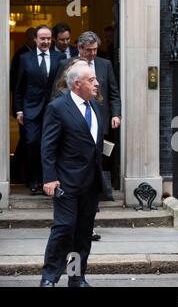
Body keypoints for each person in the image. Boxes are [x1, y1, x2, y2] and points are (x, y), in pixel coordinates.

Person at [39, 63, 103, 287]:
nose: (97, 84)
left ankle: (76, 277)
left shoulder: (95, 107)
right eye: (92, 80)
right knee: (64, 228)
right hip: (66, 181)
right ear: (77, 84)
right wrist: (49, 177)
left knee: (83, 233)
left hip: (90, 183)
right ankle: (49, 277)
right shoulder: (57, 107)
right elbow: (48, 146)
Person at [55, 31, 121, 201]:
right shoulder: (66, 64)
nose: (92, 53)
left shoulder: (105, 64)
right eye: (89, 50)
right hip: (74, 120)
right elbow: (57, 92)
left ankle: (97, 193)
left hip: (99, 120)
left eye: (95, 50)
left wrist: (116, 114)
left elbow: (113, 92)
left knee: (99, 157)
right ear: (80, 48)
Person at [13, 25, 66, 194]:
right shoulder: (25, 58)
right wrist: (19, 110)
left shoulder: (60, 57)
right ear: (35, 39)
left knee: (50, 145)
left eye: (48, 38)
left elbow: (63, 85)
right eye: (42, 38)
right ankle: (33, 180)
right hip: (31, 109)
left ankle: (47, 181)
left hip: (53, 109)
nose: (45, 41)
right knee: (32, 143)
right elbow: (18, 87)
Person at [10, 27, 36, 184]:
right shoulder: (21, 55)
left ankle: (19, 172)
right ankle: (17, 172)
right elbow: (16, 84)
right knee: (26, 140)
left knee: (26, 140)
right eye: (35, 37)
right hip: (26, 105)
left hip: (32, 105)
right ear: (30, 38)